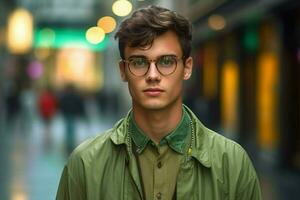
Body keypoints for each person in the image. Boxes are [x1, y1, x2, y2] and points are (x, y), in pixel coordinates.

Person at [56, 5, 262, 200]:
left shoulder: (232, 163)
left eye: (166, 62)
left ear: (187, 67)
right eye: (139, 62)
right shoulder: (84, 164)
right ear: (123, 71)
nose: (153, 75)